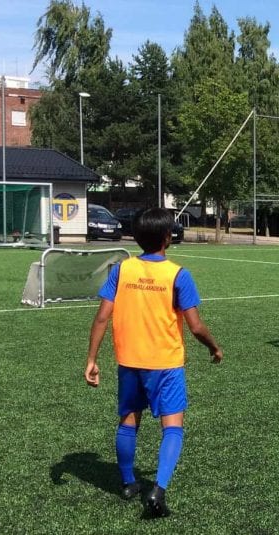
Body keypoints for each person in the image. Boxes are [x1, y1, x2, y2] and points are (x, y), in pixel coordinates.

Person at [84, 208, 223, 517]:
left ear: (136, 237)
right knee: (172, 427)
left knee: (128, 421)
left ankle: (128, 483)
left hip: (129, 360)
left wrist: (92, 359)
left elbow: (102, 317)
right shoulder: (178, 274)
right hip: (166, 363)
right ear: (167, 238)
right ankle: (157, 490)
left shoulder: (121, 270)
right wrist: (214, 348)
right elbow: (196, 326)